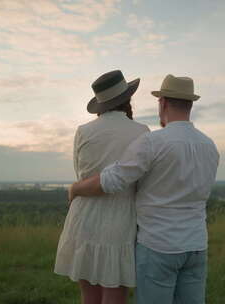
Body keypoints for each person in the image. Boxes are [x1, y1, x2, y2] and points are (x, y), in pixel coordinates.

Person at [68, 74, 220, 304]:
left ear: (163, 103)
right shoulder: (210, 146)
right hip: (196, 244)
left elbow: (114, 179)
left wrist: (76, 189)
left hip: (158, 245)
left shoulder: (153, 142)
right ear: (190, 104)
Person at [54, 70, 150, 304]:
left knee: (89, 298)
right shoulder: (142, 132)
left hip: (83, 219)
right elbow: (142, 181)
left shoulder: (83, 131)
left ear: (100, 103)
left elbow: (80, 174)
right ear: (127, 98)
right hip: (119, 223)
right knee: (115, 298)